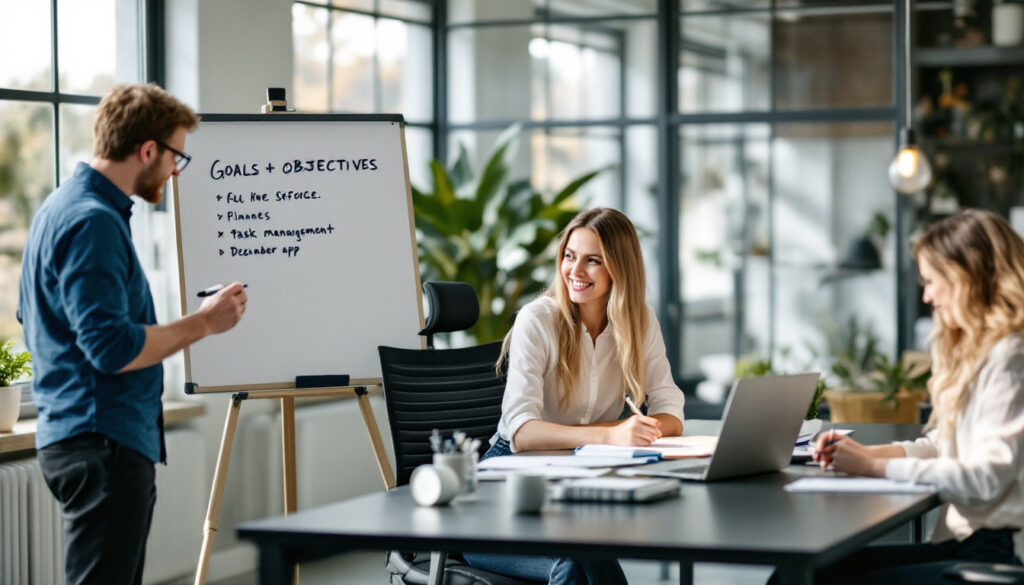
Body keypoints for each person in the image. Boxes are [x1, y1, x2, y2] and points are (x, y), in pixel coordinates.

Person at [17, 83, 248, 585]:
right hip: (103, 443)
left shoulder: (58, 208)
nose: (174, 172)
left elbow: (31, 317)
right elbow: (112, 349)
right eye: (176, 158)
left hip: (80, 436)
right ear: (148, 150)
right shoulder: (93, 222)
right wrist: (205, 322)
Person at [465, 207, 685, 585]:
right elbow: (522, 432)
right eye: (570, 256)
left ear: (620, 268)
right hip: (502, 493)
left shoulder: (640, 321)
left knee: (586, 556)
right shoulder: (538, 320)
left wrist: (635, 430)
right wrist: (611, 435)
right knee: (576, 562)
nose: (575, 271)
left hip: (577, 476)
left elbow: (671, 410)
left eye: (593, 261)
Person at [807, 208, 1024, 584]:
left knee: (813, 579)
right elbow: (948, 445)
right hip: (969, 543)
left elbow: (987, 477)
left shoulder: (1011, 358)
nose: (926, 296)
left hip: (999, 555)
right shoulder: (987, 352)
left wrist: (875, 468)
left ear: (965, 278)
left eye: (931, 281)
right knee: (809, 573)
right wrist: (866, 455)